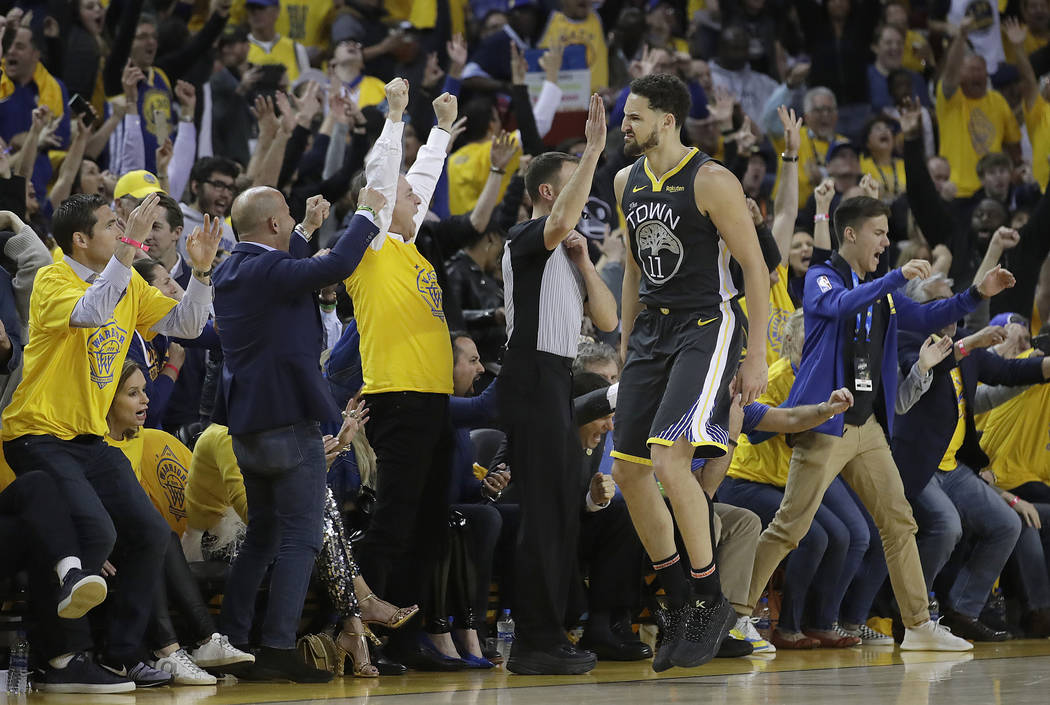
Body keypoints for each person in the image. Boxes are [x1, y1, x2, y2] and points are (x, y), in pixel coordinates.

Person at [743, 195, 1016, 653]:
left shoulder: (882, 293)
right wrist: (893, 278)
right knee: (790, 526)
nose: (887, 241)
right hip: (825, 422)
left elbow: (928, 315)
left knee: (898, 521)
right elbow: (840, 305)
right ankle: (734, 613)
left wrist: (976, 294)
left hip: (867, 427)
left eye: (889, 234)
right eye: (879, 232)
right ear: (850, 234)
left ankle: (917, 626)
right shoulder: (820, 277)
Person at [1, 191, 219, 690]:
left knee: (148, 532)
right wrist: (131, 249)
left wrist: (202, 275)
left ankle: (123, 657)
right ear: (80, 240)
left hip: (87, 438)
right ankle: (58, 654)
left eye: (124, 229)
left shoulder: (129, 286)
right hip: (36, 432)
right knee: (95, 530)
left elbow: (187, 324)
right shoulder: (52, 279)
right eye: (111, 227)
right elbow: (93, 310)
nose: (124, 236)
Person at [612, 73, 770, 672]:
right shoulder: (627, 181)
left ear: (667, 120)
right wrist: (626, 339)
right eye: (625, 117)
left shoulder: (712, 181)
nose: (626, 127)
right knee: (629, 471)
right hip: (652, 331)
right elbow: (632, 267)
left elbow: (755, 270)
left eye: (635, 117)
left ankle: (708, 599)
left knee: (670, 459)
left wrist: (754, 356)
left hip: (708, 327)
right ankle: (679, 599)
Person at [212, 179, 384, 682]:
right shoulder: (267, 267)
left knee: (263, 534)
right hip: (289, 423)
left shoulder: (232, 270)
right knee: (301, 538)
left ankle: (234, 638)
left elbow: (293, 272)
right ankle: (278, 648)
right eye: (286, 214)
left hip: (247, 427)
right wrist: (365, 215)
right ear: (271, 224)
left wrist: (307, 229)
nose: (290, 220)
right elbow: (330, 268)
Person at [341, 79, 463, 672]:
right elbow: (387, 181)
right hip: (400, 400)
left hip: (433, 404)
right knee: (393, 522)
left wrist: (439, 131)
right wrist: (395, 118)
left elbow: (415, 182)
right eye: (408, 198)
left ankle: (408, 634)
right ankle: (352, 625)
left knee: (428, 525)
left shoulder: (412, 251)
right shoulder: (371, 252)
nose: (421, 198)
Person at [499, 95, 618, 676]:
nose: (585, 193)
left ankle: (553, 632)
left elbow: (610, 321)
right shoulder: (522, 239)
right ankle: (532, 642)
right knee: (543, 515)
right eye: (576, 183)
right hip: (530, 374)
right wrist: (594, 147)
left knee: (562, 512)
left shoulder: (565, 255)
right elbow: (561, 221)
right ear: (549, 193)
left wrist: (588, 262)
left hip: (558, 376)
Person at [896, 277, 1050, 641]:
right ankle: (909, 609)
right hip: (920, 466)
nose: (951, 311)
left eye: (953, 303)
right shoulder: (906, 340)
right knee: (948, 526)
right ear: (919, 312)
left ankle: (963, 610)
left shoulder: (965, 342)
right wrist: (970, 343)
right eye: (941, 304)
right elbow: (922, 373)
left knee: (1006, 524)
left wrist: (1045, 367)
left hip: (955, 467)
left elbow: (1009, 372)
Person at [104, 359, 253, 684]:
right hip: (101, 542)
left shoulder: (138, 437)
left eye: (145, 391)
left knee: (158, 537)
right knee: (152, 538)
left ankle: (202, 642)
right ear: (107, 399)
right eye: (133, 393)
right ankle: (172, 650)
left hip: (134, 539)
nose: (146, 400)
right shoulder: (93, 445)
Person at [935, 17, 1021, 199]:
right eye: (971, 70)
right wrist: (961, 36)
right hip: (956, 192)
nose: (977, 75)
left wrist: (1014, 169)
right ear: (960, 75)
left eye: (981, 70)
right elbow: (949, 75)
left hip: (992, 192)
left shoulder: (997, 100)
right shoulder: (950, 99)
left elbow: (1013, 144)